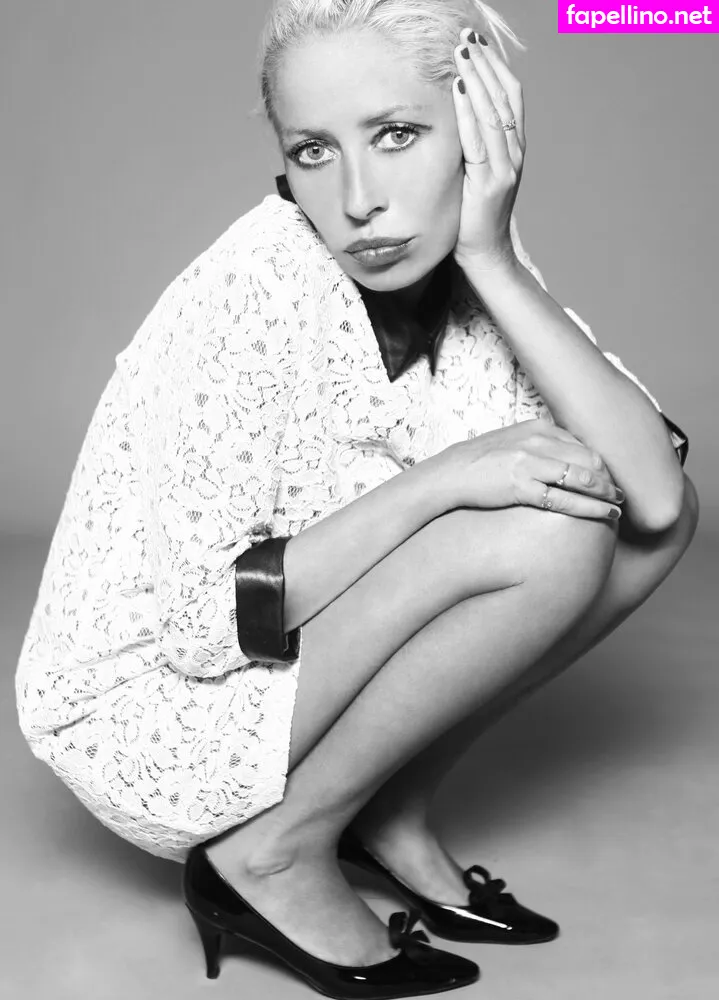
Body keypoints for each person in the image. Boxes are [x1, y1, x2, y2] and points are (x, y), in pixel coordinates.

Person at [15, 0, 698, 996]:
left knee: (619, 526)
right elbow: (200, 630)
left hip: (295, 641)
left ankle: (386, 811)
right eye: (313, 151)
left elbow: (656, 501)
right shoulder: (251, 288)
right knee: (550, 537)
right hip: (153, 703)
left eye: (396, 134)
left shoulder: (461, 253)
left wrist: (494, 259)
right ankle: (271, 850)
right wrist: (441, 484)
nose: (359, 199)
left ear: (477, 127)